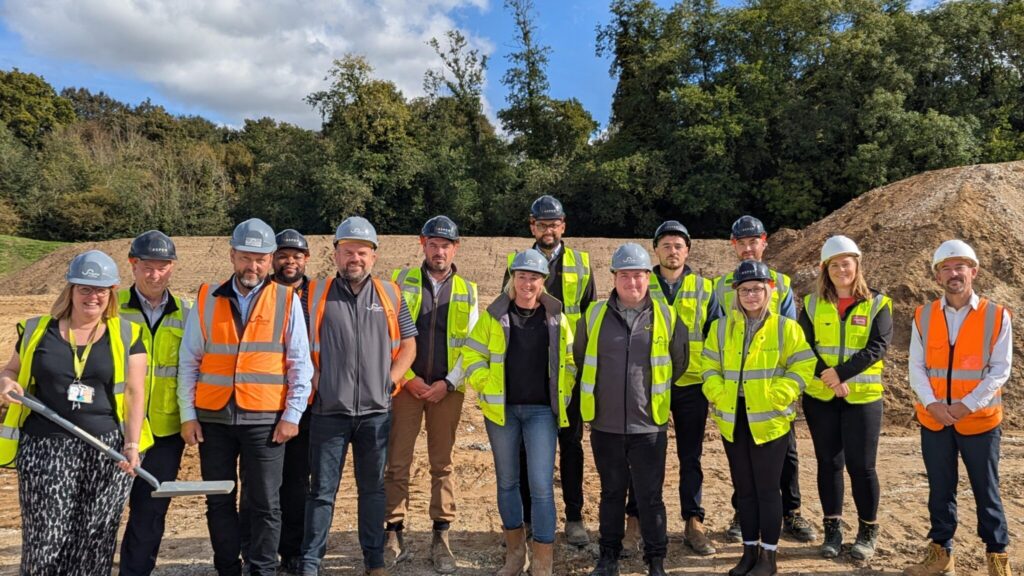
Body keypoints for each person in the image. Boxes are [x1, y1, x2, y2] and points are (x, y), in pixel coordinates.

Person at [0, 250, 151, 574]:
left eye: (100, 290)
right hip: (46, 448)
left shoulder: (128, 335)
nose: (92, 296)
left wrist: (132, 445)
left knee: (94, 543)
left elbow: (135, 394)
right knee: (46, 542)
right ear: (70, 289)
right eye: (84, 288)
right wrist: (7, 382)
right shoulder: (37, 330)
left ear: (111, 293)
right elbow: (10, 370)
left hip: (106, 450)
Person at [177, 218, 314, 576]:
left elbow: (300, 363)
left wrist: (292, 415)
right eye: (245, 258)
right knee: (218, 500)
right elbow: (189, 361)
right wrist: (187, 414)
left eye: (260, 259)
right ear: (232, 256)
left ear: (270, 260)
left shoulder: (286, 300)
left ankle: (262, 569)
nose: (252, 266)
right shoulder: (207, 298)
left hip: (265, 420)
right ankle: (227, 567)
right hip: (213, 419)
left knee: (266, 503)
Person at [300, 216, 417, 576]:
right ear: (335, 254)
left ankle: (374, 562)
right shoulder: (313, 294)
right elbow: (297, 345)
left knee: (373, 491)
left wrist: (390, 381)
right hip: (328, 412)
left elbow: (409, 344)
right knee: (321, 492)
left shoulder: (391, 294)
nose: (355, 258)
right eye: (348, 251)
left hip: (375, 413)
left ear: (373, 257)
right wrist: (317, 381)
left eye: (362, 252)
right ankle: (310, 563)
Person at [463, 249, 576, 576]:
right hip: (503, 411)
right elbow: (472, 355)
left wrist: (565, 391)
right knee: (508, 482)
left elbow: (569, 362)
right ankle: (515, 555)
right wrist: (485, 383)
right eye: (522, 276)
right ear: (513, 279)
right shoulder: (494, 315)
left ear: (543, 281)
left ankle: (542, 561)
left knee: (541, 485)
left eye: (534, 277)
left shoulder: (556, 318)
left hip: (542, 413)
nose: (528, 283)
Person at [578, 243, 689, 576]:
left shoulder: (666, 315)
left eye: (638, 275)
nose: (632, 282)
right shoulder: (594, 315)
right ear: (614, 278)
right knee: (611, 493)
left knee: (650, 496)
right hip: (606, 425)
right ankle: (608, 558)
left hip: (649, 426)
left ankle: (655, 561)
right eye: (624, 275)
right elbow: (581, 357)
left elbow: (679, 361)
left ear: (647, 278)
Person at [903, 240, 1013, 576]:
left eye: (959, 267)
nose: (953, 274)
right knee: (940, 490)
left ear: (973, 271)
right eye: (946, 268)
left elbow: (1000, 369)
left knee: (986, 491)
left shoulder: (997, 315)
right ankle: (941, 555)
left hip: (979, 420)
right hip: (935, 420)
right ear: (937, 276)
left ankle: (997, 556)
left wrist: (967, 405)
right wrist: (933, 404)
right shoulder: (923, 316)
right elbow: (916, 366)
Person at [702, 260, 816, 576]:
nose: (751, 295)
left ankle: (769, 557)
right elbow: (708, 366)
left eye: (757, 289)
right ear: (736, 293)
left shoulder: (785, 328)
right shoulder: (721, 328)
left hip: (770, 421)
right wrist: (717, 392)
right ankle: (749, 552)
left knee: (767, 491)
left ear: (769, 291)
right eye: (745, 290)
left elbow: (803, 365)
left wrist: (780, 394)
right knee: (745, 490)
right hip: (733, 419)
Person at [384, 216, 479, 574]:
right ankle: (394, 532)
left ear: (456, 248)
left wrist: (448, 383)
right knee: (397, 461)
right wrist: (407, 378)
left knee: (443, 464)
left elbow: (471, 345)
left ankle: (441, 535)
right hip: (406, 388)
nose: (439, 251)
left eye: (446, 245)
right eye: (434, 244)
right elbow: (389, 335)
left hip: (446, 391)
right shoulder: (400, 282)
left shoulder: (468, 291)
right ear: (422, 244)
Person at [504, 195, 595, 546]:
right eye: (541, 224)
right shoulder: (516, 263)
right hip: (528, 372)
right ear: (532, 226)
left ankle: (574, 517)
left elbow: (588, 319)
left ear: (563, 226)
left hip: (567, 372)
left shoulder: (581, 265)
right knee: (526, 450)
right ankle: (528, 518)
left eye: (554, 224)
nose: (548, 230)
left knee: (571, 445)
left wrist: (581, 369)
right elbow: (504, 312)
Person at [797, 236, 892, 561]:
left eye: (846, 263)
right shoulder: (811, 305)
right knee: (829, 464)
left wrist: (841, 374)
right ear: (825, 269)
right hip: (820, 398)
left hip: (863, 398)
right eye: (834, 265)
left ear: (857, 264)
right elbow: (803, 347)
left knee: (862, 466)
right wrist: (829, 377)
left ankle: (867, 530)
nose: (841, 270)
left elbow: (877, 346)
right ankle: (832, 530)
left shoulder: (878, 303)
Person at [640, 220, 722, 557]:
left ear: (687, 251)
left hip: (692, 385)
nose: (672, 251)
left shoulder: (704, 288)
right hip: (650, 384)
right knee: (644, 455)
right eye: (666, 245)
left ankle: (693, 521)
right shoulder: (642, 284)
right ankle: (638, 519)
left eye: (678, 246)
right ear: (655, 250)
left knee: (691, 456)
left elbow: (716, 335)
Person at [239, 228, 313, 574]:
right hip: (262, 406)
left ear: (306, 259)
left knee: (296, 482)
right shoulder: (258, 294)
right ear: (272, 259)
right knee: (257, 487)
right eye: (283, 255)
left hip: (304, 404)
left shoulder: (319, 295)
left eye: (296, 256)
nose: (289, 262)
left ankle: (293, 549)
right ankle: (252, 551)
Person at [119, 231, 193, 576]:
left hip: (165, 430)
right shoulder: (111, 307)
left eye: (162, 267)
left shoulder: (187, 313)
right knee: (103, 509)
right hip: (117, 428)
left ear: (172, 267)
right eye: (147, 266)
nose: (155, 274)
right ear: (133, 265)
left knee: (150, 512)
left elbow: (193, 368)